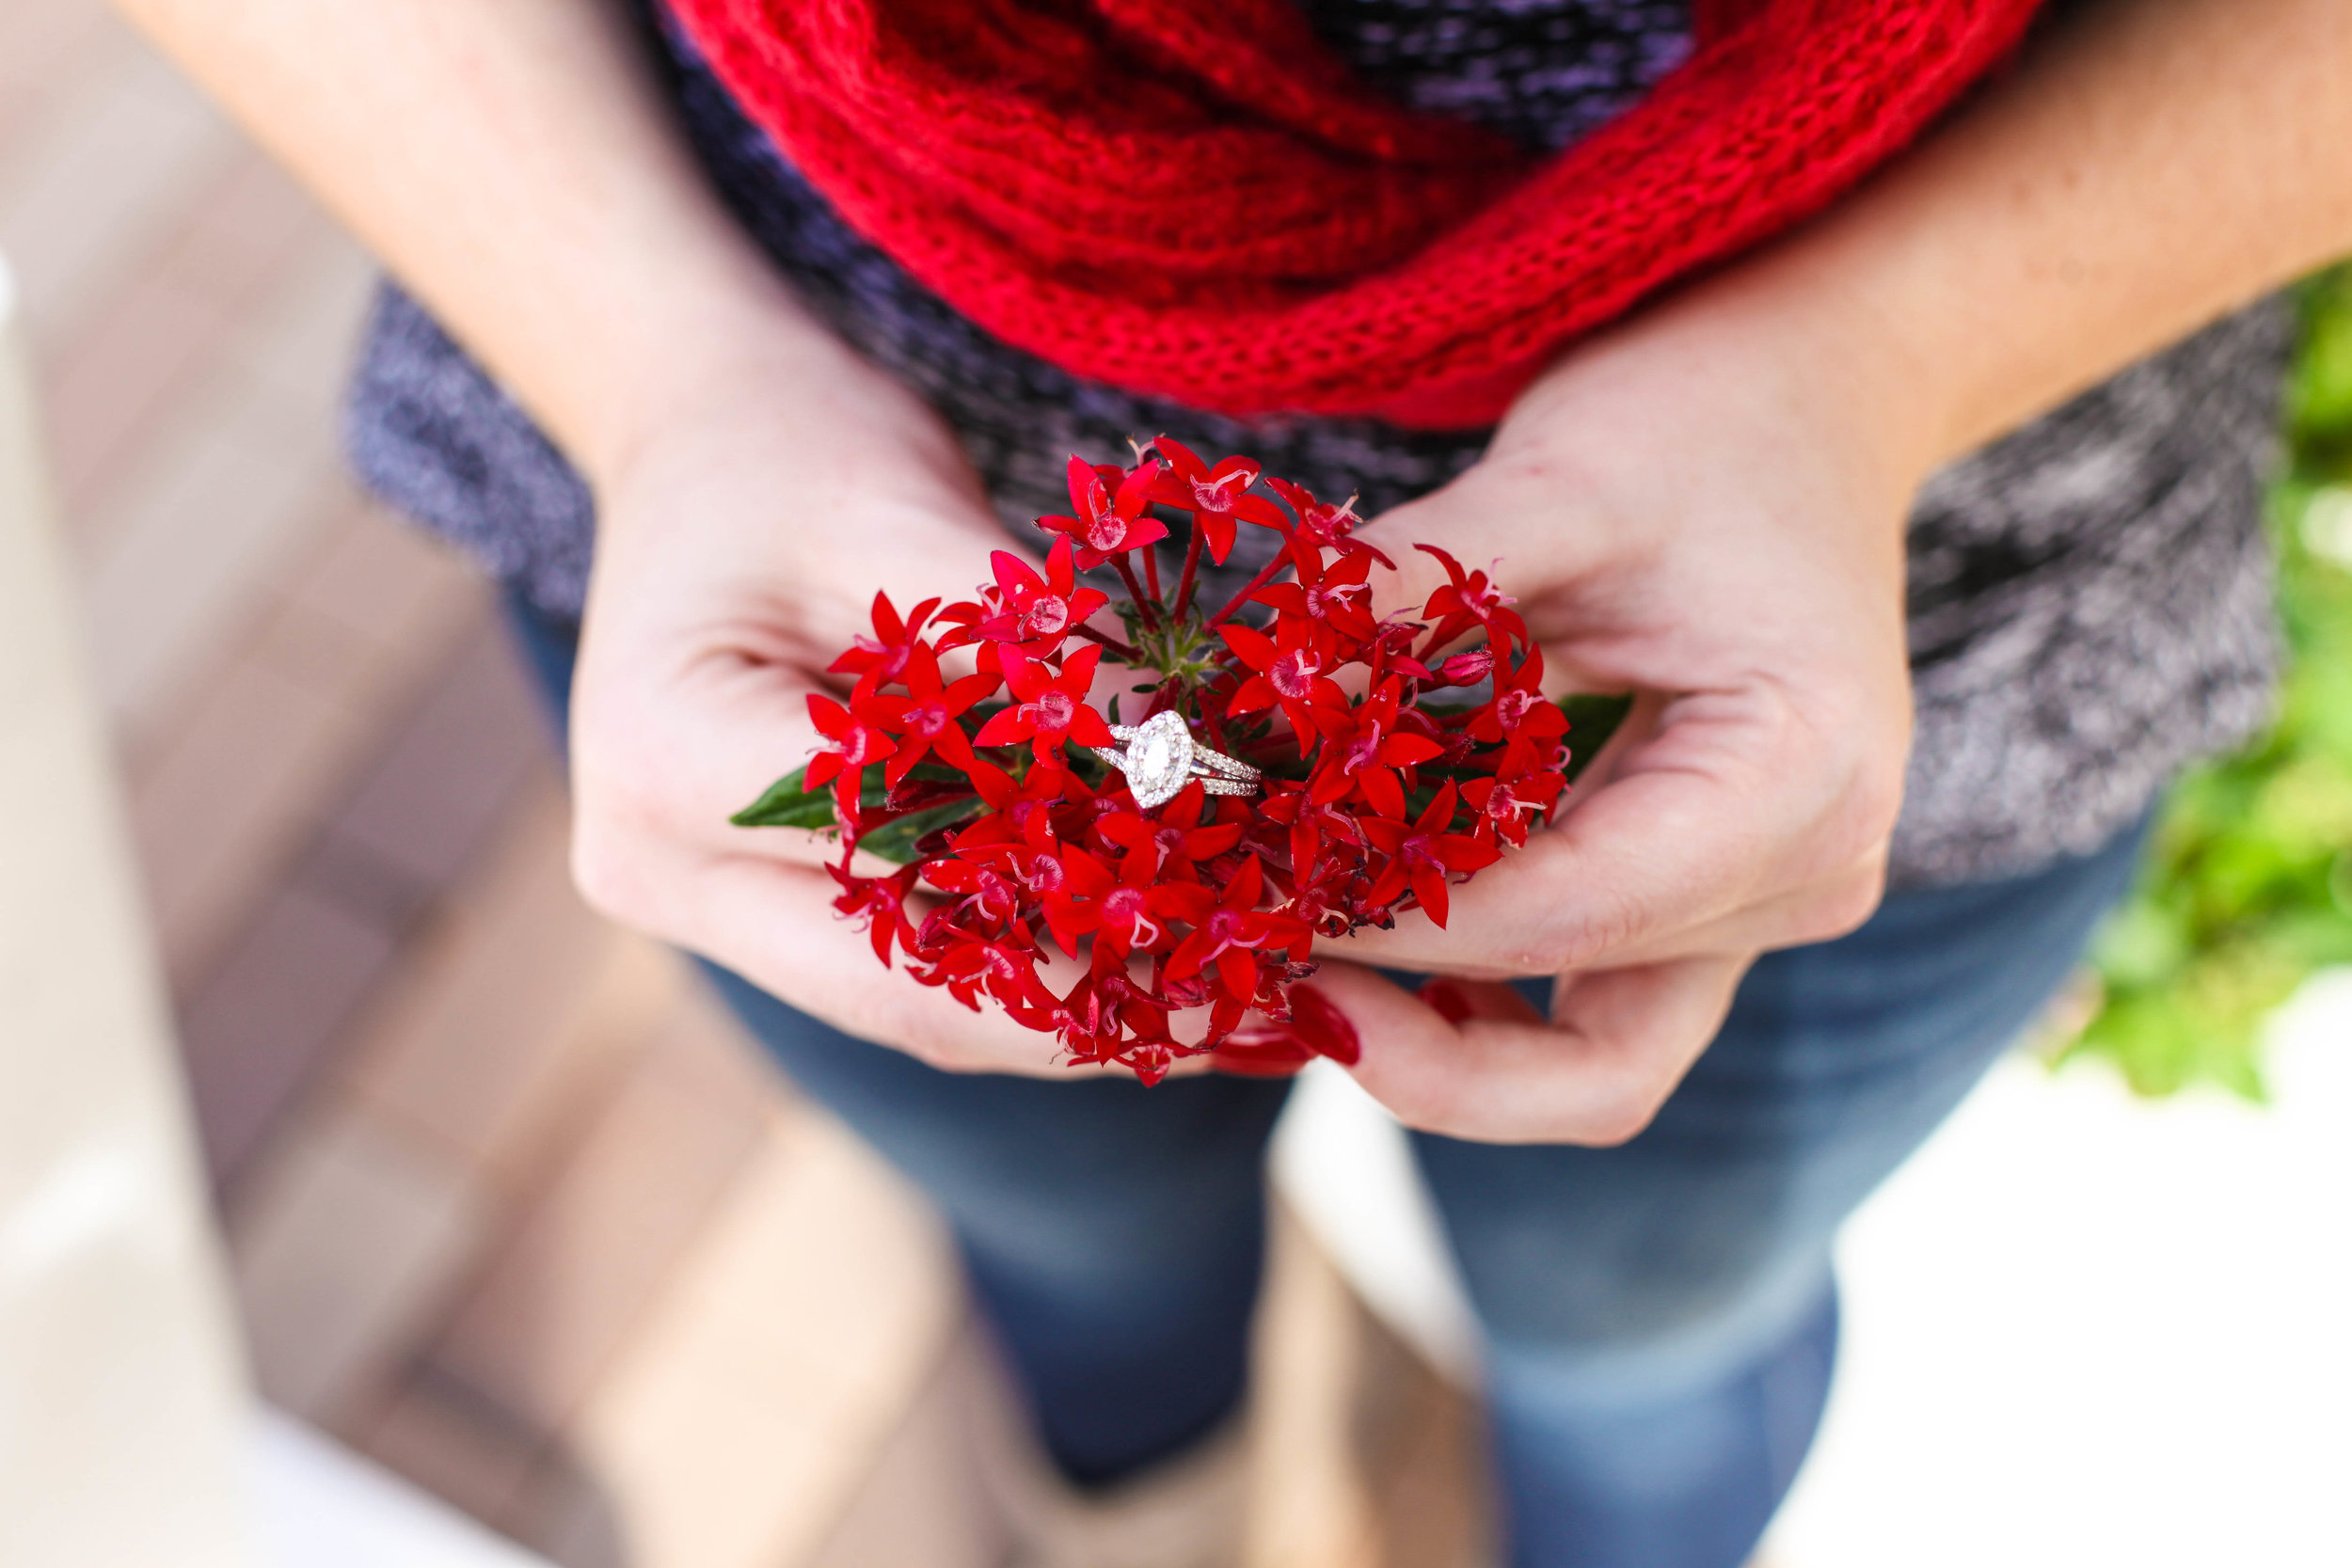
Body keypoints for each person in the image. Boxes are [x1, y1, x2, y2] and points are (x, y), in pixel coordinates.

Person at [116, 1, 2352, 1564]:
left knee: (1638, 1316)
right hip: (840, 630)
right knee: (1069, 1234)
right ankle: (1140, 1519)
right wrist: (653, 372)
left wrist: (1871, 368)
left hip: (1864, 604)